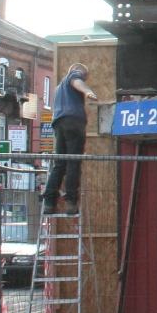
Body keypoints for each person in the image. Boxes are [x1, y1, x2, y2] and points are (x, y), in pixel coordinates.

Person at [42, 64, 99, 215]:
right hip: (73, 122)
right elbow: (77, 80)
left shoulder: (59, 89)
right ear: (84, 74)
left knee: (59, 163)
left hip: (59, 124)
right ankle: (71, 202)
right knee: (73, 162)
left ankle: (49, 202)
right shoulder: (74, 75)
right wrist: (87, 91)